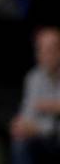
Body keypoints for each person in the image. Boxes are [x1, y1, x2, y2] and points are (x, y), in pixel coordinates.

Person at [10, 26, 60, 164]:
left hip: (51, 133)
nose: (45, 54)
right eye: (40, 49)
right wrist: (22, 125)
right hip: (44, 135)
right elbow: (29, 111)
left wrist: (40, 128)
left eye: (51, 49)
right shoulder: (34, 77)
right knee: (20, 140)